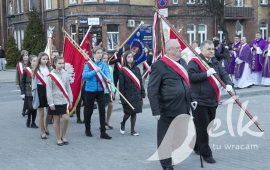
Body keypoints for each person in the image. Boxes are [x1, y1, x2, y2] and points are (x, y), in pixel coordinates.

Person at [148, 39, 191, 170]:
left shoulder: (182, 62)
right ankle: (166, 164)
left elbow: (186, 83)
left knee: (181, 136)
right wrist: (155, 110)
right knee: (165, 139)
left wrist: (192, 98)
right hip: (167, 108)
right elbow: (152, 90)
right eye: (177, 48)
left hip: (183, 107)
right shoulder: (159, 66)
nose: (180, 49)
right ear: (169, 50)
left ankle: (171, 154)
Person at [188, 40, 232, 164]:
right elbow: (191, 77)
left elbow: (223, 74)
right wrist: (206, 74)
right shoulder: (194, 62)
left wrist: (228, 84)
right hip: (199, 100)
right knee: (203, 127)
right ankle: (206, 153)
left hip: (213, 99)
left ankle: (197, 146)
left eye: (213, 49)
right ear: (202, 50)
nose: (212, 51)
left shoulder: (215, 61)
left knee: (207, 125)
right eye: (209, 49)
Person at [82, 46, 112, 140]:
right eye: (98, 53)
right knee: (89, 110)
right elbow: (85, 76)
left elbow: (107, 73)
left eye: (101, 53)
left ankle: (103, 132)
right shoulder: (88, 64)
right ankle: (87, 129)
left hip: (100, 90)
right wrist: (95, 71)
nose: (100, 54)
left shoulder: (103, 64)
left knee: (102, 110)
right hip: (90, 90)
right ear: (94, 54)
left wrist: (109, 79)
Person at [47, 56, 73, 146]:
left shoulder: (65, 73)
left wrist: (71, 99)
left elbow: (68, 87)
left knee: (66, 118)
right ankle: (58, 138)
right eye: (59, 63)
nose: (62, 65)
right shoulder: (51, 75)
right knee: (56, 119)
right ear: (55, 63)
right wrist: (51, 102)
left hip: (64, 100)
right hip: (55, 100)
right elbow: (49, 90)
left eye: (63, 63)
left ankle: (64, 136)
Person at [119, 51, 145, 136]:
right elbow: (121, 86)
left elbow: (140, 82)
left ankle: (132, 130)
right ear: (125, 59)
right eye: (128, 57)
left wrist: (142, 93)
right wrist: (122, 98)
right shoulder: (122, 70)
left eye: (131, 57)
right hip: (127, 94)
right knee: (128, 112)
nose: (130, 58)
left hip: (136, 93)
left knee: (134, 112)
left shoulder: (137, 69)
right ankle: (123, 123)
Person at [32, 52, 52, 139]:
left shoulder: (49, 68)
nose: (45, 60)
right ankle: (42, 131)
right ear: (39, 59)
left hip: (48, 90)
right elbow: (34, 84)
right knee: (41, 113)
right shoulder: (36, 70)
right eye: (43, 59)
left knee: (50, 112)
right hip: (40, 91)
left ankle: (46, 125)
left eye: (46, 59)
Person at [20, 55, 38, 128]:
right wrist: (23, 92)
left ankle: (33, 122)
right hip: (28, 89)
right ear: (30, 61)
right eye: (34, 61)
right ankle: (29, 119)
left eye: (36, 61)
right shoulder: (26, 70)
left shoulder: (39, 70)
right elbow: (23, 81)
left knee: (35, 107)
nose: (35, 62)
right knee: (30, 107)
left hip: (36, 90)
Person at [102, 52, 115, 129]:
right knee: (102, 107)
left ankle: (108, 120)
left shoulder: (110, 68)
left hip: (108, 90)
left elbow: (112, 79)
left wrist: (113, 90)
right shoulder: (98, 67)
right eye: (104, 58)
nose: (105, 60)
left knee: (111, 105)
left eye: (106, 58)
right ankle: (102, 122)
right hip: (102, 90)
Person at [16, 50, 29, 116]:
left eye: (26, 55)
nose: (25, 57)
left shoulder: (30, 63)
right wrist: (17, 83)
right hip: (22, 83)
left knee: (27, 97)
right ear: (22, 56)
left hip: (29, 82)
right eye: (24, 55)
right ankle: (26, 110)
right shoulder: (19, 64)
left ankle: (25, 110)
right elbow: (17, 74)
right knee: (25, 97)